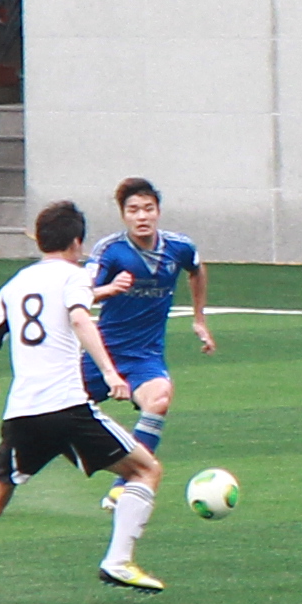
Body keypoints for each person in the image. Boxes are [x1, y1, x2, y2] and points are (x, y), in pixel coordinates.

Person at [0, 196, 168, 602]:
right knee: (146, 471)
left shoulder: (15, 285)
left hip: (22, 414)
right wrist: (111, 373)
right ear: (77, 242)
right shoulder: (74, 277)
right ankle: (118, 560)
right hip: (68, 409)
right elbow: (78, 316)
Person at [92, 176, 212, 424]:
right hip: (102, 352)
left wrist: (199, 319)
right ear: (123, 215)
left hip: (145, 356)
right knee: (58, 409)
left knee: (159, 399)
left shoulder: (180, 247)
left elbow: (197, 270)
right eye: (133, 210)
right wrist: (110, 289)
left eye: (148, 209)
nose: (142, 217)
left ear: (158, 212)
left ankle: (141, 461)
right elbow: (80, 294)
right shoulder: (109, 250)